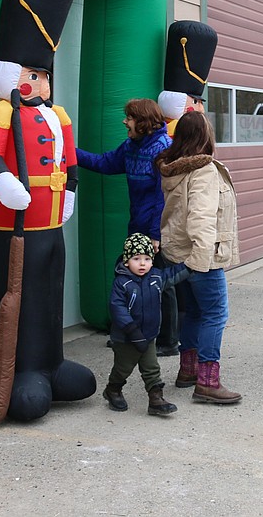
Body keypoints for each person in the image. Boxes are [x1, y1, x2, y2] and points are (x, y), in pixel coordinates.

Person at [0, 0, 95, 422]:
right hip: (13, 227)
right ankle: (22, 370)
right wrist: (3, 182)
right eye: (30, 73)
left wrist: (72, 191)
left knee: (50, 292)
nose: (38, 83)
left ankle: (50, 362)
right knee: (17, 296)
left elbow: (70, 161)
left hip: (52, 224)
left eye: (43, 75)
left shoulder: (57, 114)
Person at [76, 98, 179, 355]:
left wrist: (156, 235)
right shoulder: (131, 146)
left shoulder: (164, 149)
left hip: (155, 228)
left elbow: (162, 196)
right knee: (131, 280)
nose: (125, 121)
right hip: (136, 225)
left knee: (160, 284)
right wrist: (67, 151)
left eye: (129, 117)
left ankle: (168, 342)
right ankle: (131, 334)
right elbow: (104, 163)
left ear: (143, 122)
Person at [156, 111, 242, 404]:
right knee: (215, 314)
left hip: (176, 253)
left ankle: (188, 370)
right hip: (200, 256)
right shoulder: (203, 170)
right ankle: (207, 382)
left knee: (193, 312)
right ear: (205, 137)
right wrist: (201, 260)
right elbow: (201, 219)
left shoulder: (173, 168)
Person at [102, 233, 190, 416]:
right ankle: (113, 389)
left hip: (149, 336)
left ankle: (156, 399)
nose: (142, 263)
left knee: (152, 368)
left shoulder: (156, 278)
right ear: (126, 261)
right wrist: (132, 331)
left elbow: (174, 274)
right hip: (127, 338)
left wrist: (191, 265)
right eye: (136, 258)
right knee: (123, 368)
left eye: (147, 259)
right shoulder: (122, 283)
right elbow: (117, 308)